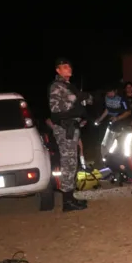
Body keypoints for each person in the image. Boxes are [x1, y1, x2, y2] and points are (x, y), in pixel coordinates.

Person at [48, 57, 93, 211]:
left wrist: (84, 100)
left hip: (72, 127)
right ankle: (67, 202)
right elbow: (56, 110)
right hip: (64, 129)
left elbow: (85, 101)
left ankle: (70, 197)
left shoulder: (68, 86)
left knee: (72, 163)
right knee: (68, 163)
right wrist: (76, 101)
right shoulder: (57, 86)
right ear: (58, 70)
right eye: (64, 66)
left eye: (69, 66)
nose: (68, 68)